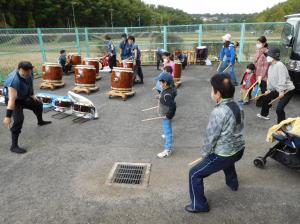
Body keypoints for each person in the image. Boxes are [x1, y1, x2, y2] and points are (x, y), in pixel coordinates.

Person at [186, 74, 245, 213]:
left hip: (224, 155)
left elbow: (210, 137)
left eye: (212, 89)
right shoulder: (238, 106)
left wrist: (205, 154)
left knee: (194, 173)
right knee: (228, 160)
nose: (211, 92)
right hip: (239, 149)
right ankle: (233, 183)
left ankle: (199, 205)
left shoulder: (218, 112)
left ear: (217, 93)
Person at [2, 61, 52, 154]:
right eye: (25, 72)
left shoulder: (29, 72)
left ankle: (40, 121)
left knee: (38, 104)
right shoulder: (14, 80)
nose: (28, 74)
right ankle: (14, 146)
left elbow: (29, 83)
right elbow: (11, 100)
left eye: (29, 71)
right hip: (14, 101)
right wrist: (8, 117)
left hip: (24, 97)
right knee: (19, 120)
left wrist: (32, 95)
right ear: (19, 69)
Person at [257, 48, 295, 123]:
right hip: (279, 89)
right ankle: (264, 114)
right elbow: (270, 80)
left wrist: (281, 91)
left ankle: (282, 126)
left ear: (273, 56)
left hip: (287, 90)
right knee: (266, 97)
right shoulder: (271, 67)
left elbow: (282, 79)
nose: (267, 57)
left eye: (268, 56)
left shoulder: (280, 65)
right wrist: (269, 89)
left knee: (279, 109)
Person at [155, 72, 176, 158]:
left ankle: (168, 149)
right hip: (165, 114)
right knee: (167, 130)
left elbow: (173, 106)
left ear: (165, 83)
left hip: (166, 116)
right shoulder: (168, 90)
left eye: (160, 82)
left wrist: (168, 116)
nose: (159, 83)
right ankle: (167, 135)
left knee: (168, 131)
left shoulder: (167, 94)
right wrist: (160, 97)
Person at [253, 36, 269, 107]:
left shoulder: (266, 52)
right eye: (257, 43)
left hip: (262, 75)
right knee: (258, 88)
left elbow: (266, 66)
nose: (257, 44)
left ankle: (262, 102)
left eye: (259, 43)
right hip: (256, 73)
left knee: (263, 88)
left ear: (264, 43)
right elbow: (255, 61)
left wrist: (261, 76)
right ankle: (259, 100)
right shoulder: (258, 50)